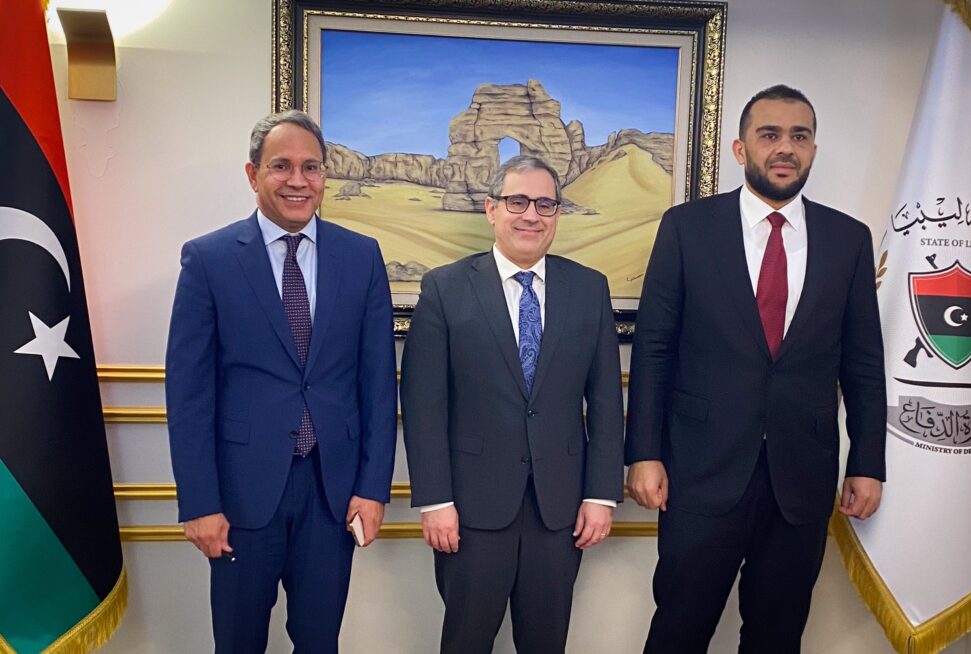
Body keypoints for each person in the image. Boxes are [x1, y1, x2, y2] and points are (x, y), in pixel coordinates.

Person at [625, 85, 886, 653]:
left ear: (813, 149)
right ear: (742, 150)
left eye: (799, 136)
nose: (785, 148)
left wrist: (867, 461)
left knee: (776, 636)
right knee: (678, 630)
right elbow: (653, 349)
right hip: (700, 472)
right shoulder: (686, 229)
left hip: (801, 479)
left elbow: (864, 363)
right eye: (770, 135)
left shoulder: (849, 240)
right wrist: (643, 452)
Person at [165, 109, 396, 653]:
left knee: (319, 643)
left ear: (325, 176)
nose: (298, 180)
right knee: (239, 643)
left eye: (311, 167)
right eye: (281, 166)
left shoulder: (361, 257)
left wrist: (372, 486)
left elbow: (378, 383)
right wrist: (198, 502)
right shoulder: (209, 259)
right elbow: (189, 393)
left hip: (331, 494)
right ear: (253, 175)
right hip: (241, 496)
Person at [400, 155, 624, 653]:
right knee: (465, 642)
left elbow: (607, 401)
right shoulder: (446, 287)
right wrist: (435, 500)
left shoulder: (589, 289)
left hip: (560, 510)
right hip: (470, 510)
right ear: (491, 209)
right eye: (517, 201)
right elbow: (423, 405)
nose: (531, 215)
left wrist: (601, 494)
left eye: (545, 203)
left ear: (558, 213)